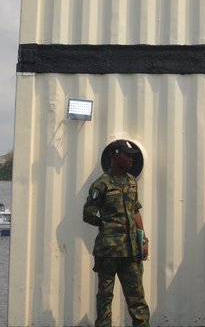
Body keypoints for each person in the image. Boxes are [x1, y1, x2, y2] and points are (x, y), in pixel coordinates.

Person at [83, 139, 150, 327]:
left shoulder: (131, 181)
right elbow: (87, 214)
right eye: (127, 155)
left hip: (131, 251)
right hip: (108, 253)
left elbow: (135, 211)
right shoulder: (101, 184)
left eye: (132, 156)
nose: (131, 160)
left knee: (137, 298)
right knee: (105, 298)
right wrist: (105, 226)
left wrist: (143, 239)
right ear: (115, 156)